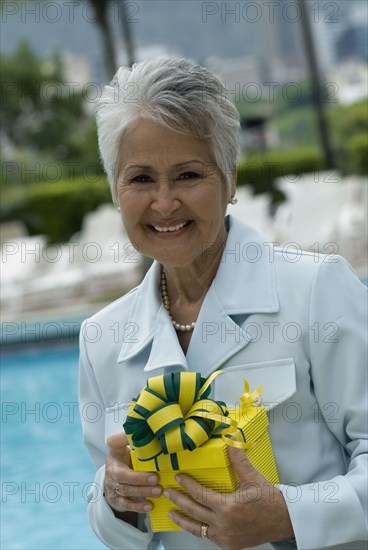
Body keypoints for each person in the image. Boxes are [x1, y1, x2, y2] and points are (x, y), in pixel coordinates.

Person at [78, 56, 367, 550]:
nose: (164, 203)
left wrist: (288, 517)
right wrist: (116, 500)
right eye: (141, 179)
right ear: (115, 189)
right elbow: (115, 520)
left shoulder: (317, 290)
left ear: (230, 181)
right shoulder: (101, 339)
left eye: (188, 176)